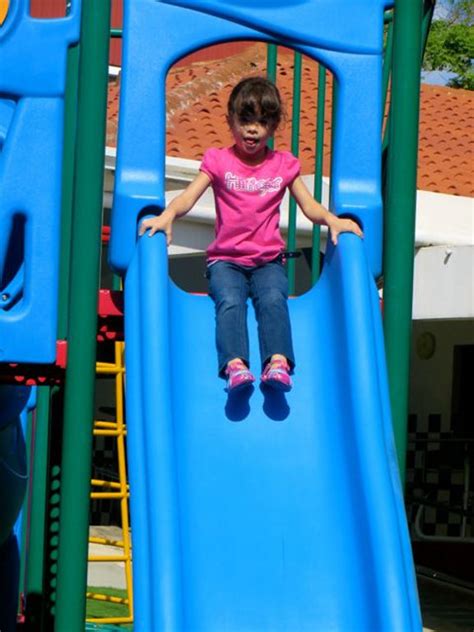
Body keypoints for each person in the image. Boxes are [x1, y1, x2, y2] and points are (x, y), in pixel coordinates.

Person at [139, 76, 363, 393]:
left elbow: (309, 205)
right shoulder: (218, 161)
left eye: (262, 121)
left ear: (273, 126)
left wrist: (331, 220)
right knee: (229, 301)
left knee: (273, 298)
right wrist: (167, 215)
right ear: (230, 120)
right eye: (245, 120)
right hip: (226, 260)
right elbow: (189, 196)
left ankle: (278, 363)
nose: (252, 129)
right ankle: (235, 366)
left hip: (268, 260)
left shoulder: (283, 165)